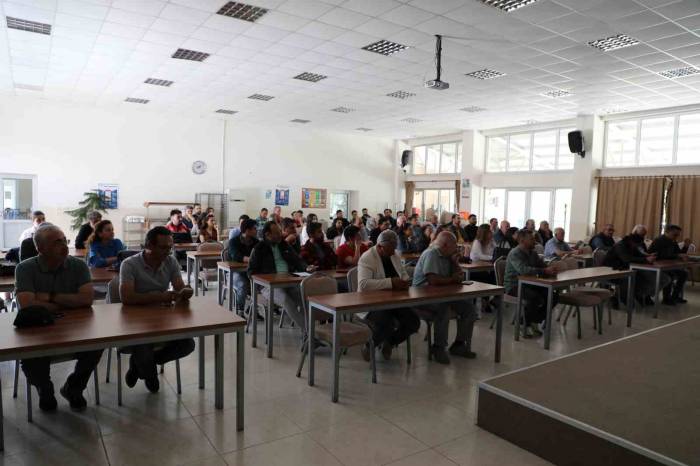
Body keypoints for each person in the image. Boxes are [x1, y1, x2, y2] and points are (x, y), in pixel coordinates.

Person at [15, 224, 103, 411]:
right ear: (40, 248)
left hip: (74, 326)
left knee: (96, 346)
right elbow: (27, 305)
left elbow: (87, 299)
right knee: (32, 355)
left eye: (65, 240)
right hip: (38, 328)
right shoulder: (24, 268)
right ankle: (45, 389)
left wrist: (49, 297)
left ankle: (73, 387)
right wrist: (70, 302)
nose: (64, 246)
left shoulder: (78, 265)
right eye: (57, 242)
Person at [119, 226, 195, 393]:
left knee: (187, 344)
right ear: (149, 246)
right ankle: (149, 374)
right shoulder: (129, 264)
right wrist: (162, 296)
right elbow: (127, 298)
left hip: (162, 318)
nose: (168, 251)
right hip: (135, 320)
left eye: (170, 247)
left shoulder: (170, 261)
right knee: (143, 345)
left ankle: (140, 365)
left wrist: (186, 292)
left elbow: (179, 288)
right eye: (163, 247)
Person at [412, 231, 479, 364]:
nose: (457, 248)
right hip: (422, 297)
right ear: (445, 245)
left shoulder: (448, 256)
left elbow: (459, 278)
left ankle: (459, 344)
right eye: (455, 245)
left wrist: (455, 263)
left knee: (469, 309)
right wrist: (452, 279)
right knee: (443, 309)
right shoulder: (431, 254)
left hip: (443, 295)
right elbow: (433, 280)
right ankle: (438, 347)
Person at [358, 230, 419, 361]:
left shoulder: (394, 254)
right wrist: (391, 282)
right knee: (386, 323)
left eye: (394, 249)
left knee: (413, 322)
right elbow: (364, 284)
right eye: (390, 250)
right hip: (371, 302)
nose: (393, 253)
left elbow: (402, 274)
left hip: (394, 300)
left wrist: (405, 281)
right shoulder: (367, 258)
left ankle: (390, 342)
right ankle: (369, 346)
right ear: (380, 246)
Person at [249, 222, 313, 332]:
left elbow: (297, 260)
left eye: (280, 231)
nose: (281, 234)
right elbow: (251, 272)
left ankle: (307, 334)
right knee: (286, 300)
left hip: (288, 281)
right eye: (277, 232)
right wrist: (266, 279)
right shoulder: (259, 249)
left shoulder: (284, 244)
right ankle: (310, 332)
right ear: (268, 234)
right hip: (268, 286)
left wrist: (306, 268)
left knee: (304, 299)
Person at [503, 229, 558, 338]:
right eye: (532, 239)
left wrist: (550, 269)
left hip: (530, 284)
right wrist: (543, 271)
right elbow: (523, 270)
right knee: (534, 297)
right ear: (522, 241)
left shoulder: (533, 253)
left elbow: (542, 265)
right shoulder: (515, 253)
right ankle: (525, 325)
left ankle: (532, 320)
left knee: (553, 295)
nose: (535, 241)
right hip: (514, 285)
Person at [604, 232, 665, 306]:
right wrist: (646, 260)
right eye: (637, 244)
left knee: (644, 276)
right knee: (630, 276)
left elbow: (638, 255)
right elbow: (626, 259)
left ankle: (640, 294)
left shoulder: (632, 245)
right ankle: (622, 297)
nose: (638, 246)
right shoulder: (620, 245)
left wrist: (647, 256)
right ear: (632, 242)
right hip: (611, 269)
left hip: (624, 267)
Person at [649, 224, 688, 305]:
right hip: (657, 266)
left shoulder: (673, 241)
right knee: (670, 274)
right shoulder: (658, 240)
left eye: (678, 235)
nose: (676, 237)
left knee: (684, 274)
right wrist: (677, 255)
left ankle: (675, 296)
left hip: (669, 265)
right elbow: (659, 255)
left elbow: (678, 253)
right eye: (675, 234)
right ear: (667, 232)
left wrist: (685, 247)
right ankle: (666, 298)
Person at [227, 218, 259, 313]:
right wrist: (251, 259)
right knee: (243, 284)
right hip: (235, 272)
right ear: (247, 230)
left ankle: (253, 309)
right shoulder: (233, 241)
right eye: (254, 228)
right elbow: (236, 256)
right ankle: (239, 310)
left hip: (250, 271)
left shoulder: (256, 242)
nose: (256, 230)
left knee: (261, 283)